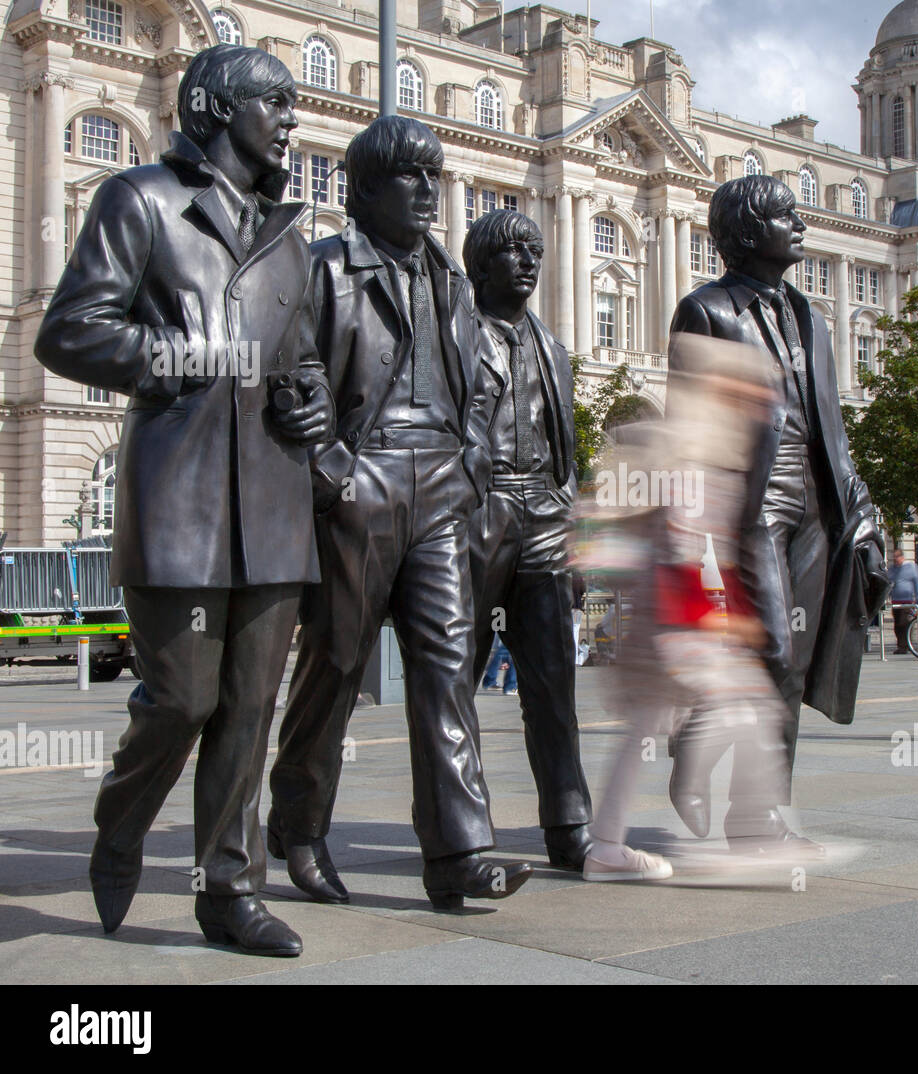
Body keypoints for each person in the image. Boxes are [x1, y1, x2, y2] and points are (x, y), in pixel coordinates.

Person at [35, 44, 334, 956]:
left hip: (276, 499)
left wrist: (313, 394)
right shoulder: (141, 201)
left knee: (250, 708)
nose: (293, 121)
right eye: (275, 103)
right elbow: (71, 331)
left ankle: (230, 892)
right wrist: (178, 358)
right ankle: (122, 818)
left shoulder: (292, 237)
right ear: (213, 105)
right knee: (180, 699)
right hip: (181, 494)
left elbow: (304, 355)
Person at [267, 115, 531, 913]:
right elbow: (292, 376)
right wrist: (334, 473)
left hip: (443, 488)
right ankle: (300, 823)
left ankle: (458, 852)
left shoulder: (451, 279)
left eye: (434, 174)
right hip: (364, 478)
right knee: (337, 665)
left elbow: (477, 384)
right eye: (410, 176)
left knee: (449, 667)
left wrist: (472, 459)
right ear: (365, 189)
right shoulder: (325, 268)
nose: (429, 190)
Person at [668, 175, 888, 857]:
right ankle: (701, 740)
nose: (799, 224)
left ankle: (759, 817)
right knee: (771, 645)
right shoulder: (706, 311)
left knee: (793, 665)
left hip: (817, 499)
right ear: (744, 230)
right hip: (750, 496)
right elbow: (689, 428)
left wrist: (860, 504)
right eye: (782, 215)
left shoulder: (812, 316)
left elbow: (834, 422)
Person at [579, 334, 788, 879]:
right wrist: (717, 614)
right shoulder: (693, 444)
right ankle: (719, 822)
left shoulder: (710, 442)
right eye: (745, 387)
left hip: (674, 613)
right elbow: (682, 541)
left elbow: (706, 544)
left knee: (655, 723)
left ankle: (609, 845)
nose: (757, 400)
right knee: (750, 707)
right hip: (674, 616)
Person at [464, 209, 594, 871]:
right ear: (481, 262)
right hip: (478, 517)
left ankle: (569, 823)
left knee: (553, 685)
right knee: (453, 686)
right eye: (512, 251)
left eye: (534, 251)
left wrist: (570, 534)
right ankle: (457, 826)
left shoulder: (553, 347)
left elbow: (564, 452)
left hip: (543, 516)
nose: (527, 261)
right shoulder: (455, 335)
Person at [887, 548, 918, 655]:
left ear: (902, 557)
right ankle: (901, 645)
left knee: (904, 623)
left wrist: (916, 599)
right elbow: (889, 582)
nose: (896, 559)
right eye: (894, 557)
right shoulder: (892, 569)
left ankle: (904, 646)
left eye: (897, 557)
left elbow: (917, 583)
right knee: (897, 624)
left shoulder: (911, 567)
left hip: (908, 600)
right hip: (895, 600)